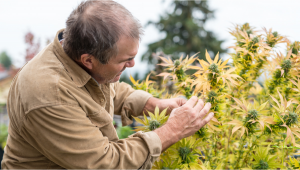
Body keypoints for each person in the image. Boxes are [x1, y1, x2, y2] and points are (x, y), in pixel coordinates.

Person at [1, 0, 213, 169]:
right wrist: (172, 130)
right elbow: (106, 163)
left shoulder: (76, 53)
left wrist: (152, 104)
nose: (132, 64)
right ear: (88, 60)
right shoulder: (50, 94)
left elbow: (106, 86)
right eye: (124, 61)